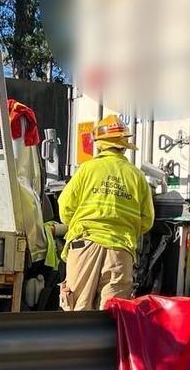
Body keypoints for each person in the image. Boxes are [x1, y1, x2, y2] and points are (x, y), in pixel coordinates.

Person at [58, 115, 154, 311]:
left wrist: (78, 224)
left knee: (77, 311)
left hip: (84, 244)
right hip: (120, 251)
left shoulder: (87, 169)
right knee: (113, 315)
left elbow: (65, 207)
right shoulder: (136, 176)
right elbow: (147, 220)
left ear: (99, 144)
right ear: (124, 145)